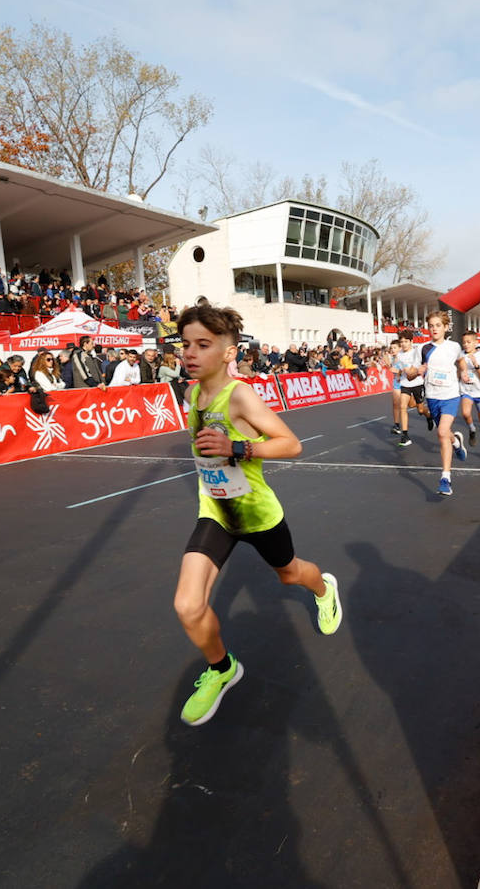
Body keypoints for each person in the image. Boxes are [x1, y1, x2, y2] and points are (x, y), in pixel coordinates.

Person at [173, 303, 342, 726]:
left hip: (257, 513)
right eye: (185, 344)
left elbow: (292, 444)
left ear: (229, 353)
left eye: (203, 345)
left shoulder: (241, 395)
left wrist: (239, 447)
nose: (189, 353)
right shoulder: (192, 393)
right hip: (215, 511)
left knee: (289, 575)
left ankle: (324, 590)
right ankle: (221, 668)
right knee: (188, 605)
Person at [418, 312, 469, 496]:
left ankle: (445, 479)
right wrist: (417, 371)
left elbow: (461, 362)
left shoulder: (454, 346)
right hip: (432, 396)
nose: (434, 329)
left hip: (450, 395)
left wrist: (463, 373)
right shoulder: (423, 348)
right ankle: (456, 442)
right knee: (445, 434)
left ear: (446, 327)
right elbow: (412, 373)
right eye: (431, 325)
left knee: (440, 433)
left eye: (438, 325)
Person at [457, 330, 480, 458]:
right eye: (464, 342)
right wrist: (462, 374)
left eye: (469, 342)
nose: (466, 345)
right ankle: (472, 429)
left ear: (475, 342)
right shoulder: (460, 355)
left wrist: (476, 365)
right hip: (466, 390)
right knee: (466, 413)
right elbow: (457, 372)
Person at [391, 330, 427, 447]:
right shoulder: (400, 354)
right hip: (405, 384)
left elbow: (414, 373)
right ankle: (405, 435)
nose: (404, 344)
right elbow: (402, 370)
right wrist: (398, 374)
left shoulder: (416, 353)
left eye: (406, 341)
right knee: (402, 407)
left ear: (411, 341)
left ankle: (429, 416)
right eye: (402, 342)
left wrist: (408, 371)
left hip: (417, 383)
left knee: (420, 410)